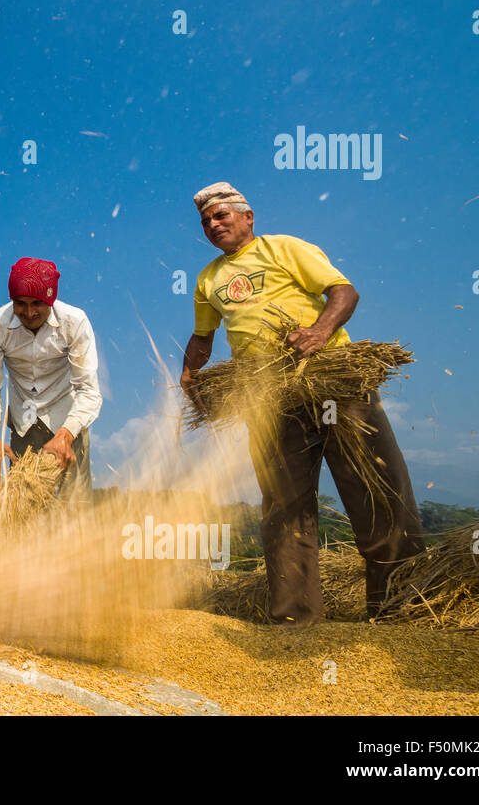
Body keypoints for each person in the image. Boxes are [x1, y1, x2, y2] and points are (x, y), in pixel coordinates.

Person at [179, 181, 425, 626]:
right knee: (283, 503)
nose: (213, 225)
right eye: (205, 222)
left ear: (247, 217)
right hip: (269, 397)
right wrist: (189, 373)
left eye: (221, 216)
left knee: (374, 485)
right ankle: (295, 619)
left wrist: (318, 332)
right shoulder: (208, 278)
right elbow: (203, 336)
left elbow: (344, 292)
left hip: (332, 380)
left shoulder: (284, 249)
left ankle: (400, 611)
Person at [0, 257, 103, 493]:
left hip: (69, 421)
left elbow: (88, 390)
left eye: (37, 303)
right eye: (20, 303)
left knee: (75, 510)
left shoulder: (74, 322)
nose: (29, 312)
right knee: (23, 512)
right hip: (24, 422)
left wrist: (66, 435)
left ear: (51, 300)